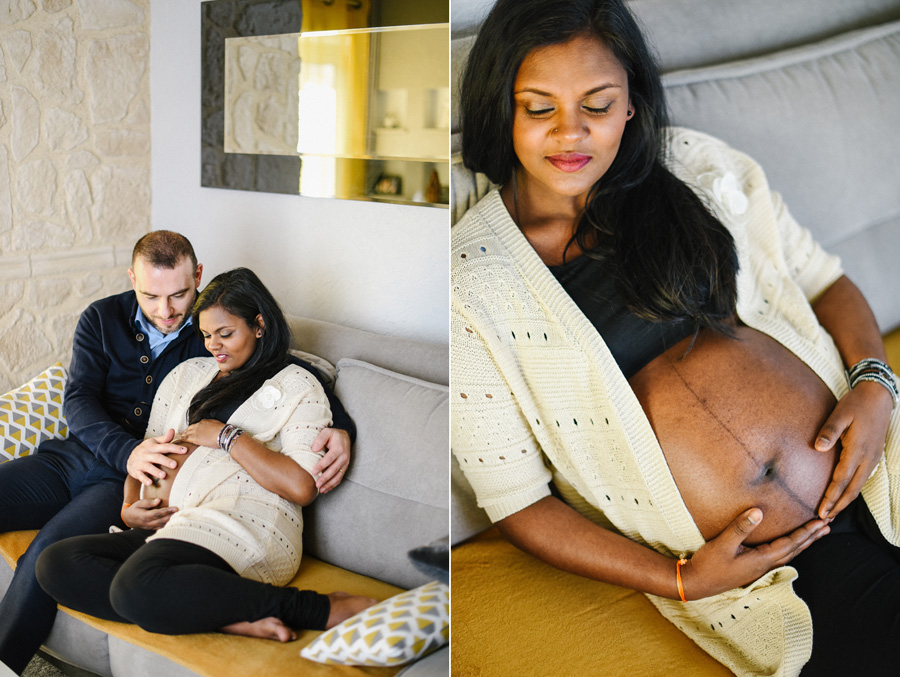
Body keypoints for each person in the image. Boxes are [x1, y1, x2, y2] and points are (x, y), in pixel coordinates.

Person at [451, 0, 900, 674]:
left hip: (880, 471)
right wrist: (680, 581)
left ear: (631, 102)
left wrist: (875, 383)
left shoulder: (696, 168)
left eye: (597, 105)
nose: (570, 134)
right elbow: (519, 502)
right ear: (500, 111)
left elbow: (824, 280)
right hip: (770, 575)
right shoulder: (471, 285)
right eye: (539, 108)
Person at [0, 232, 353, 673]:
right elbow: (79, 400)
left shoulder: (208, 335)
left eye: (179, 296)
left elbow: (290, 371)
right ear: (132, 280)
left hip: (165, 499)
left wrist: (342, 426)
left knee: (52, 550)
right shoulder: (114, 323)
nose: (166, 312)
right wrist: (129, 469)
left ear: (197, 279)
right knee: (53, 556)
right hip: (89, 457)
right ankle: (224, 614)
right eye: (150, 296)